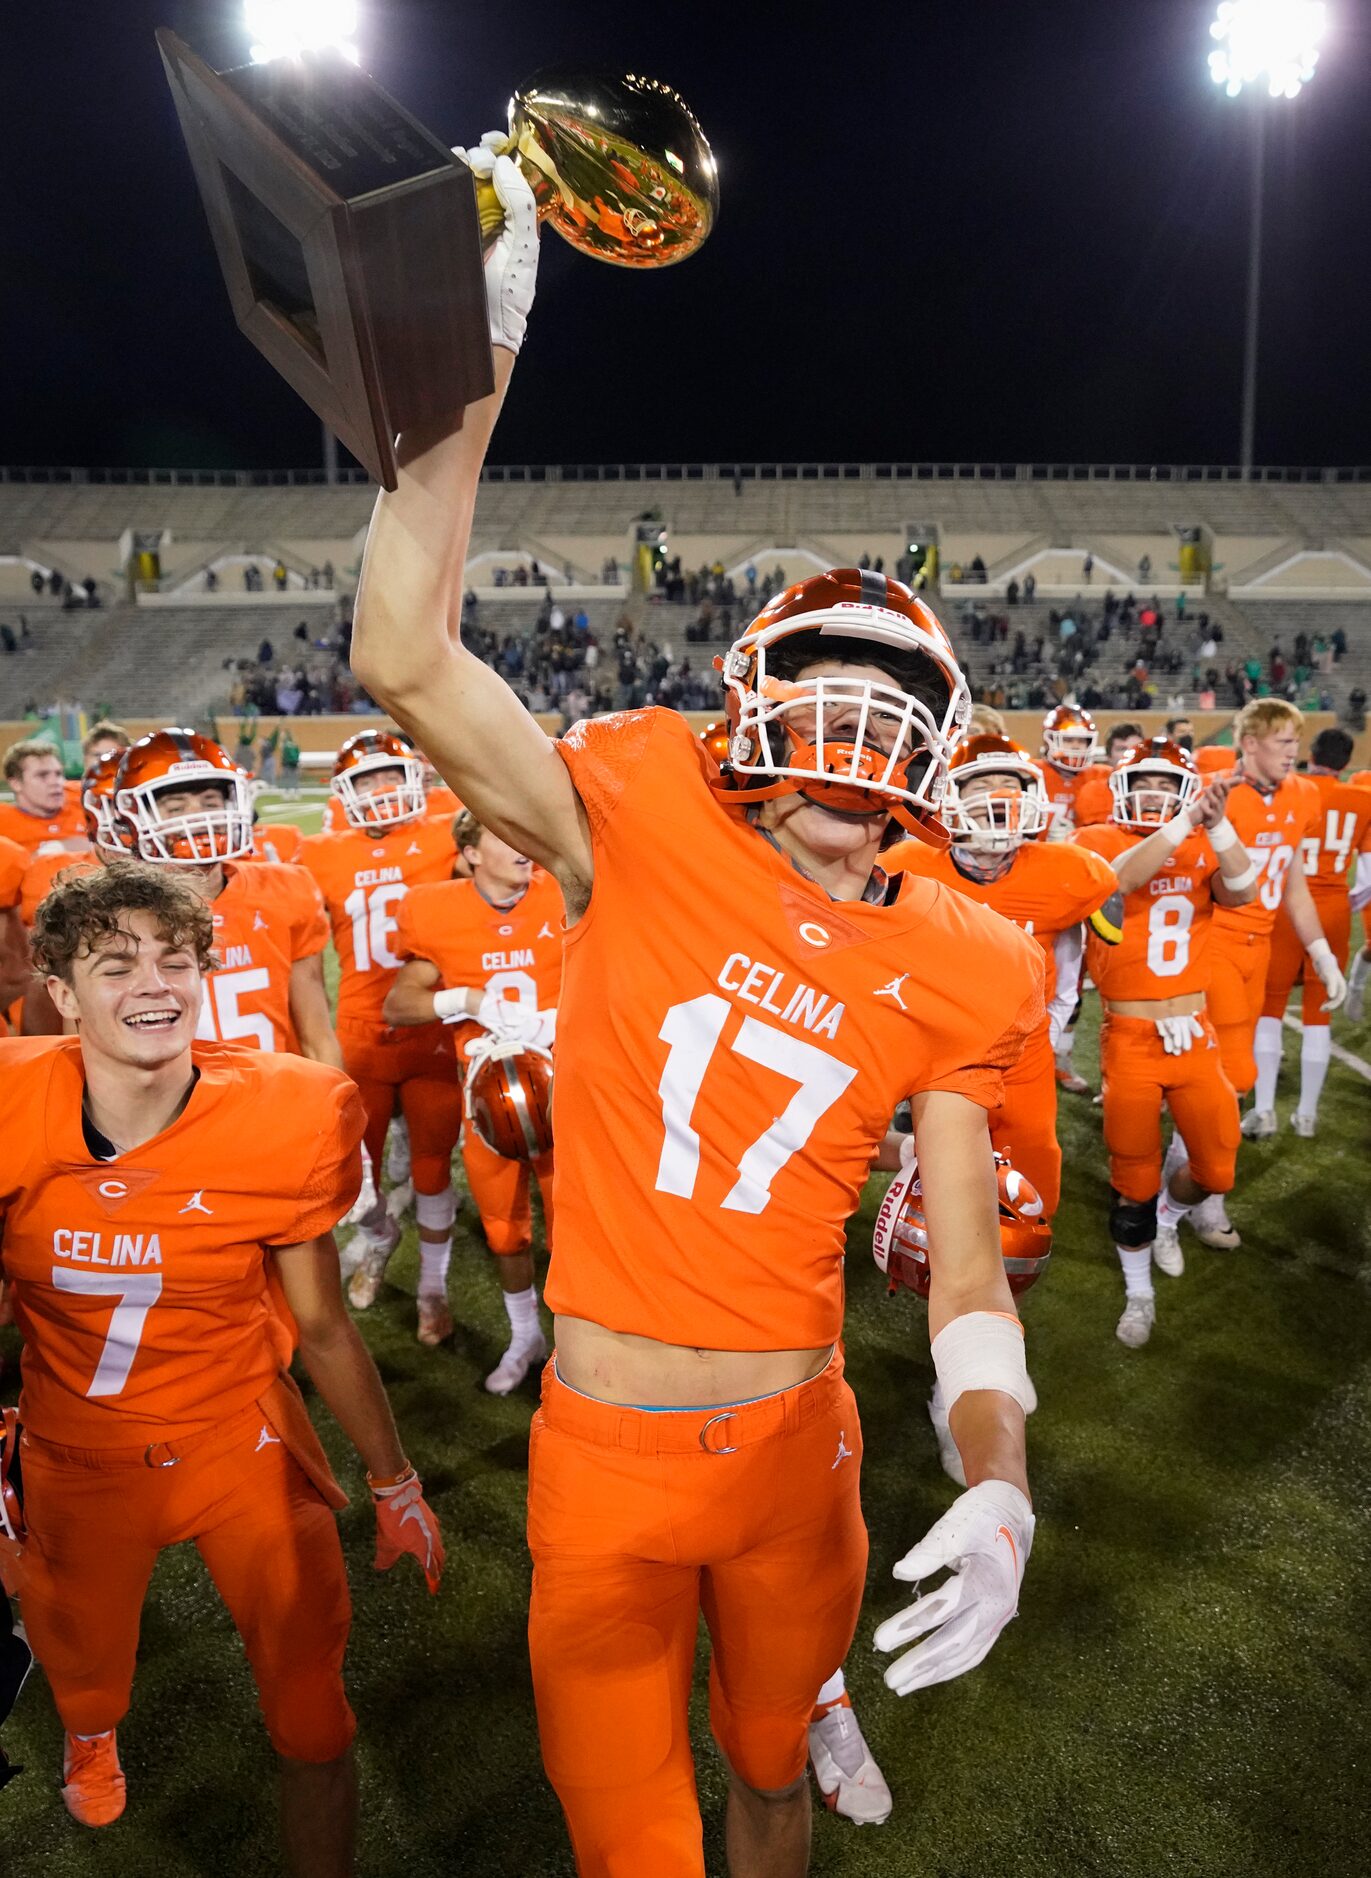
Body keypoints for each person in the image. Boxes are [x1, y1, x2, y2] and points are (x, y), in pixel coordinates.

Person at [349, 139, 1044, 1878]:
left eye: (895, 704)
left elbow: (961, 1266)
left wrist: (1001, 1470)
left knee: (768, 1777)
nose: (856, 735)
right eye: (830, 690)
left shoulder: (968, 952)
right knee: (628, 1838)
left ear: (933, 750)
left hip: (796, 1449)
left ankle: (804, 1711)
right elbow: (404, 660)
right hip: (599, 1445)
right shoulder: (639, 811)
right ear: (755, 701)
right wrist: (469, 358)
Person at [0, 862, 442, 1868]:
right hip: (77, 1450)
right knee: (87, 1672)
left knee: (315, 1716)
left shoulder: (284, 1114)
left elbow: (323, 1325)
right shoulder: (13, 1102)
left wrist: (394, 1477)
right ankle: (91, 1734)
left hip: (236, 1438)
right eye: (117, 966)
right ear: (62, 995)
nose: (155, 984)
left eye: (176, 959)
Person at [886, 732, 1119, 1225]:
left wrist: (1057, 1020)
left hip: (1024, 1052)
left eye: (1009, 783)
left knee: (1034, 1187)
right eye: (983, 783)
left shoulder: (1068, 871)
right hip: (938, 1055)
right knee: (936, 1188)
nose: (999, 795)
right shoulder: (904, 867)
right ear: (951, 795)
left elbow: (1093, 936)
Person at [1074, 741, 1254, 1344]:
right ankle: (1139, 1295)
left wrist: (1219, 823)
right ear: (1124, 786)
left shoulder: (1203, 842)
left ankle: (1172, 1219)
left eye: (1165, 783)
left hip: (1193, 1033)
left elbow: (1243, 892)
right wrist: (1184, 822)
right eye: (1143, 782)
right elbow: (1120, 878)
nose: (1152, 793)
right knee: (1133, 1178)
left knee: (1217, 1167)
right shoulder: (1096, 840)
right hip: (1129, 1035)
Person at [383, 810, 562, 1374]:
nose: (521, 846)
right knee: (504, 1229)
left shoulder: (565, 890)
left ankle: (579, 1344)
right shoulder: (435, 909)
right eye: (502, 836)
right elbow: (398, 1004)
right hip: (486, 1103)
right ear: (471, 852)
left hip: (570, 1090)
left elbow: (624, 966)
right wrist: (466, 1001)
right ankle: (525, 1336)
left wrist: (564, 1017)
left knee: (574, 1234)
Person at [302, 731, 460, 1311]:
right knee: (350, 1174)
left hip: (431, 1027)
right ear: (346, 792)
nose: (383, 787)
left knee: (432, 1164)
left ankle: (433, 1286)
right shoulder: (319, 853)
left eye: (392, 774)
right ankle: (377, 1238)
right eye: (367, 779)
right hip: (359, 1028)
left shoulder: (446, 826)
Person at [1188, 701, 1346, 1246]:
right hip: (1216, 942)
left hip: (1261, 949)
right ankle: (1201, 1200)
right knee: (1234, 1074)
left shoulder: (1304, 794)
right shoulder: (1216, 791)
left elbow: (1294, 878)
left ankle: (1183, 1185)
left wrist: (1320, 949)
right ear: (1249, 744)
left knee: (1218, 1076)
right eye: (1282, 743)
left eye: (1296, 743)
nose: (1293, 753)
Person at [1251, 727, 1371, 1136]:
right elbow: (1369, 876)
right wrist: (1346, 900)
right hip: (1334, 908)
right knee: (1320, 1013)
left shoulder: (1292, 788)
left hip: (1286, 905)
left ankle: (1265, 1108)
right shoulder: (1363, 799)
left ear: (1310, 753)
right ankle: (1306, 1116)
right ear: (1346, 760)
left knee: (1270, 1007)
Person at [0, 739, 86, 855]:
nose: (55, 782)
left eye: (58, 774)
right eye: (42, 775)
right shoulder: (4, 824)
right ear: (16, 784)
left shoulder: (84, 802)